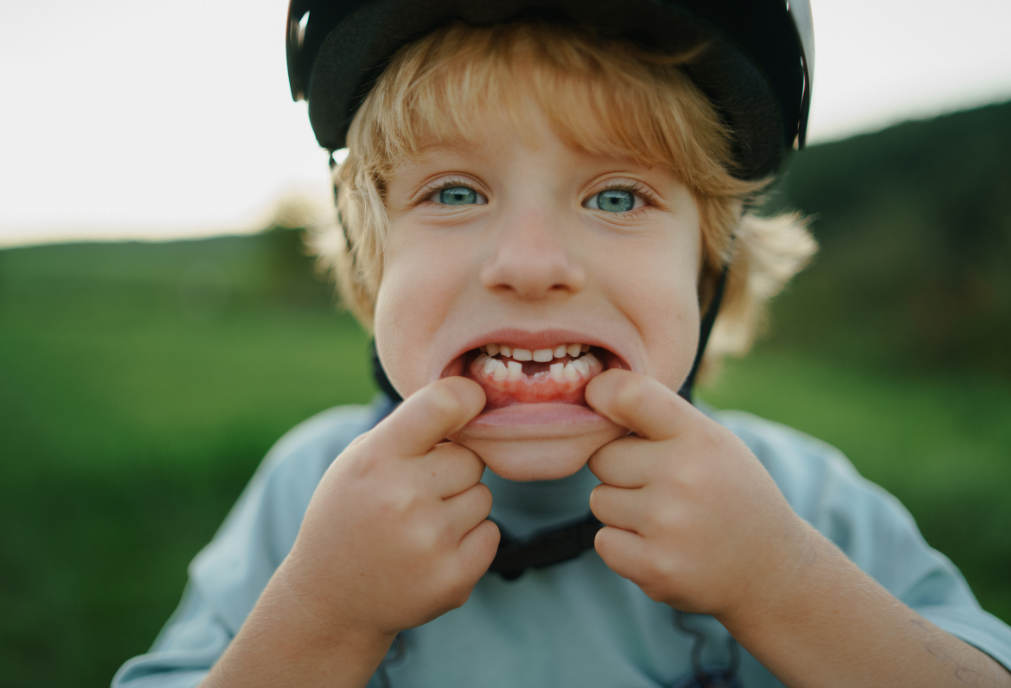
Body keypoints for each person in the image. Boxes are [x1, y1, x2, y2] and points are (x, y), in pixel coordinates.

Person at [114, 2, 1011, 686]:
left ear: (711, 273)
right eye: (456, 193)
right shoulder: (311, 496)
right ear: (366, 262)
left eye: (616, 197)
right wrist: (326, 615)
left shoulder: (801, 501)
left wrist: (778, 583)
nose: (530, 264)